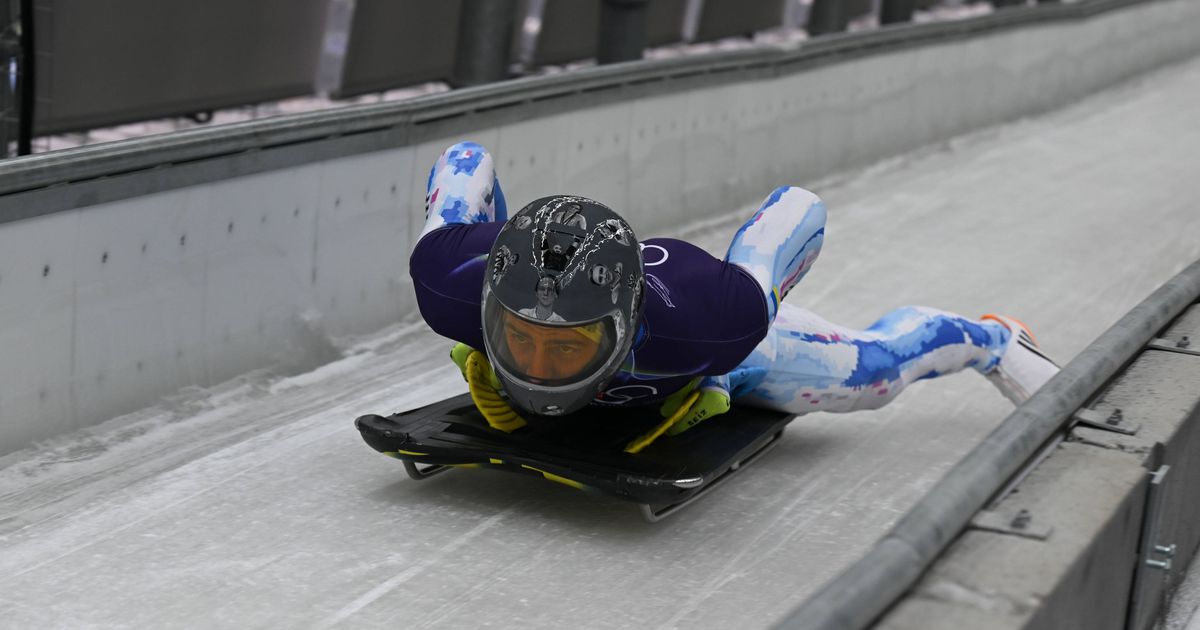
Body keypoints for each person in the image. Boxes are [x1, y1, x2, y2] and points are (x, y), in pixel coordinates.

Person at [410, 141, 1060, 438]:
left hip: (727, 353)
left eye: (565, 348)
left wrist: (747, 314)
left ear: (622, 329)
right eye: (518, 339)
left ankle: (994, 342)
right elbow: (465, 158)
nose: (536, 368)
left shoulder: (714, 319)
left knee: (875, 377)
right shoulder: (449, 281)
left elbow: (798, 208)